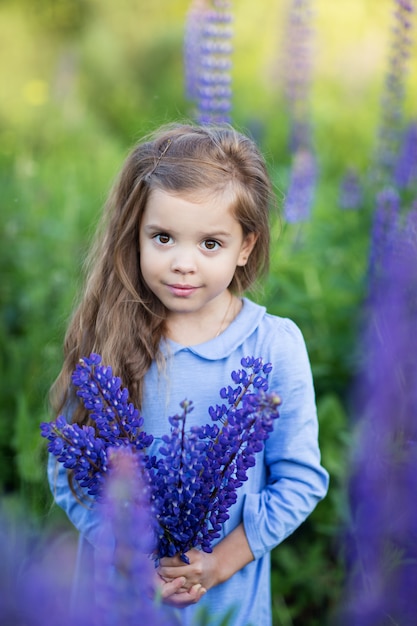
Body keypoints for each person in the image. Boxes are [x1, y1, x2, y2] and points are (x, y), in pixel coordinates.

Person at [48, 122, 329, 625]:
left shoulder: (274, 346)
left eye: (210, 244)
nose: (182, 263)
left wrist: (220, 564)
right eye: (163, 237)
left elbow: (301, 480)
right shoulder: (112, 333)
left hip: (226, 606)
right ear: (134, 235)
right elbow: (68, 466)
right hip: (123, 600)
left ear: (246, 246)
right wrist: (128, 554)